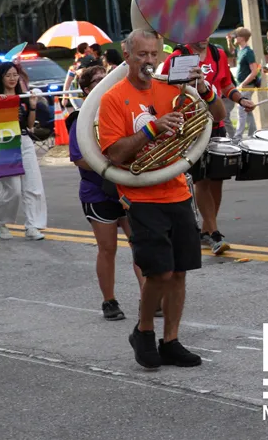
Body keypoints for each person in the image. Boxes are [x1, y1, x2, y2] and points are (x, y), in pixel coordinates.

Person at [99, 29, 226, 369]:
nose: (149, 61)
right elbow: (115, 153)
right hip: (141, 194)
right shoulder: (113, 98)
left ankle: (171, 340)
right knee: (160, 272)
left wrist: (204, 88)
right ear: (127, 55)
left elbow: (217, 115)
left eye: (154, 54)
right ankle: (143, 331)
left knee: (180, 272)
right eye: (142, 54)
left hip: (177, 189)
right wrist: (152, 129)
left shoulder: (171, 88)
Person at [165, 38, 255, 255]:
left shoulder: (218, 54)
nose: (204, 36)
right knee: (201, 180)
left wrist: (241, 100)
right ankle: (214, 233)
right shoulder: (178, 57)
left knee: (216, 180)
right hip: (193, 127)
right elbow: (164, 89)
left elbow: (226, 84)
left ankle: (206, 229)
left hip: (216, 124)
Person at [67, 64, 143, 321]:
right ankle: (109, 300)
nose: (104, 84)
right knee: (108, 248)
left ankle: (148, 298)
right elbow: (79, 158)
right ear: (86, 90)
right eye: (97, 81)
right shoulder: (81, 120)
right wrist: (113, 166)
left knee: (140, 245)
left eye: (106, 79)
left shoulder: (121, 109)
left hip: (128, 188)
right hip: (98, 191)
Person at [0, 62, 48, 241]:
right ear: (1, 77)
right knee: (13, 189)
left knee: (33, 185)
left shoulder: (22, 96)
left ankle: (32, 226)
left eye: (15, 75)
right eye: (8, 75)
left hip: (24, 141)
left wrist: (32, 106)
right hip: (4, 145)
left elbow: (30, 125)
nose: (12, 78)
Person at [231, 28, 261, 141]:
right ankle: (253, 134)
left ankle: (238, 137)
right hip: (241, 85)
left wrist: (243, 83)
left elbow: (254, 71)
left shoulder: (248, 52)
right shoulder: (240, 50)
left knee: (241, 110)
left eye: (236, 36)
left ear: (242, 38)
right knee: (247, 110)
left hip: (247, 86)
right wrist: (229, 41)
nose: (234, 38)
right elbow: (231, 50)